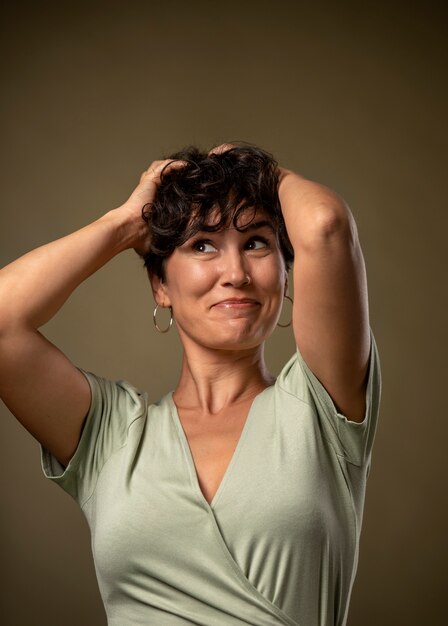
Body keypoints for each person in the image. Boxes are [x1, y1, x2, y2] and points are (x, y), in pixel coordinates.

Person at [0, 142, 381, 626]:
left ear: (286, 276)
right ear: (161, 285)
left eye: (257, 243)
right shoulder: (110, 435)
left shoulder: (320, 407)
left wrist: (262, 171)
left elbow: (326, 224)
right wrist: (125, 224)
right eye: (202, 244)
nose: (236, 274)